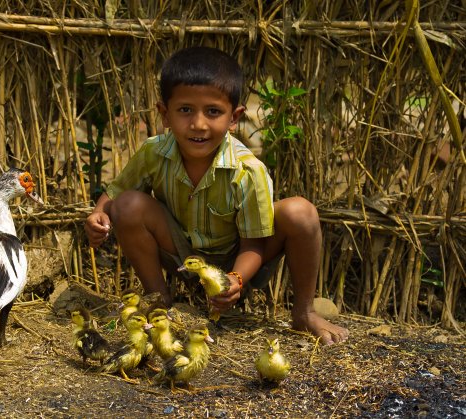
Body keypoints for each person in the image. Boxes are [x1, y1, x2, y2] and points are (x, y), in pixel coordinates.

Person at [84, 46, 349, 345]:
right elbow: (115, 192)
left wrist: (234, 279)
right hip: (181, 253)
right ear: (164, 114)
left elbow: (254, 244)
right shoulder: (153, 152)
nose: (198, 124)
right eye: (185, 110)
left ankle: (304, 312)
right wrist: (99, 213)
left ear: (234, 118)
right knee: (127, 205)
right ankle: (161, 303)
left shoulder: (248, 170)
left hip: (240, 258)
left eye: (213, 112)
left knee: (301, 212)